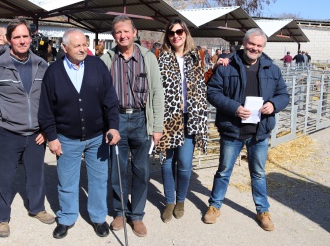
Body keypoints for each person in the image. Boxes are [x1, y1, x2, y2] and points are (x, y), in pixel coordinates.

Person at [204, 28, 289, 231]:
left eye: (259, 45)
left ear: (263, 47)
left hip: (259, 132)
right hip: (233, 129)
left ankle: (263, 211)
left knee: (258, 173)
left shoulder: (272, 69)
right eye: (252, 44)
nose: (255, 48)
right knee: (224, 171)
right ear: (244, 42)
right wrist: (234, 108)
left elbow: (283, 94)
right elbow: (212, 92)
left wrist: (274, 105)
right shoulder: (226, 65)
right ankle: (214, 207)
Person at [0, 19, 54, 238]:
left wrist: (46, 130)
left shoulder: (41, 64)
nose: (22, 40)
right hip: (6, 132)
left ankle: (37, 208)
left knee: (36, 174)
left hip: (36, 133)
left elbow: (50, 100)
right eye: (17, 37)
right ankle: (1, 218)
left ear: (31, 38)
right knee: (3, 177)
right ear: (9, 40)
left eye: (25, 36)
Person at [39, 28, 120, 239]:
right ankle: (66, 218)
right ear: (64, 47)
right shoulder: (53, 72)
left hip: (97, 136)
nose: (83, 49)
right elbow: (46, 109)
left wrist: (113, 126)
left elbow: (110, 99)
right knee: (66, 181)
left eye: (85, 44)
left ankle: (98, 218)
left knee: (98, 180)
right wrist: (52, 137)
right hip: (67, 138)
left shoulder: (97, 66)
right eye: (78, 45)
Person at [101, 15, 164, 237]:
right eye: (118, 32)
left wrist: (157, 126)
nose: (123, 35)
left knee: (141, 170)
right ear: (113, 35)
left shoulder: (148, 58)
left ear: (134, 32)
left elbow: (157, 93)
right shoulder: (107, 59)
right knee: (117, 170)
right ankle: (119, 212)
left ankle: (136, 215)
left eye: (126, 31)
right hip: (116, 120)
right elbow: (99, 94)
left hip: (141, 120)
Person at [156, 18, 208, 223]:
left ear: (186, 33)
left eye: (179, 32)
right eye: (171, 32)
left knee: (185, 164)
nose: (176, 36)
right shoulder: (161, 56)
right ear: (167, 36)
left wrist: (220, 65)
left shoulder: (197, 56)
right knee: (166, 162)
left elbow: (204, 83)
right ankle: (169, 201)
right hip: (168, 116)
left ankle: (181, 200)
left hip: (190, 117)